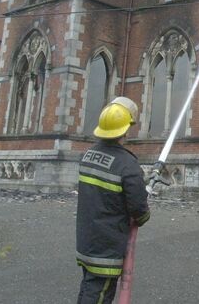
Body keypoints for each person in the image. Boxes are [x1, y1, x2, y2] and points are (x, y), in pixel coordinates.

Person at [76, 96, 150, 304]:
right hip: (107, 247)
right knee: (99, 294)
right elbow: (140, 211)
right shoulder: (127, 165)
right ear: (126, 129)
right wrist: (144, 213)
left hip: (87, 240)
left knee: (89, 287)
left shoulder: (87, 155)